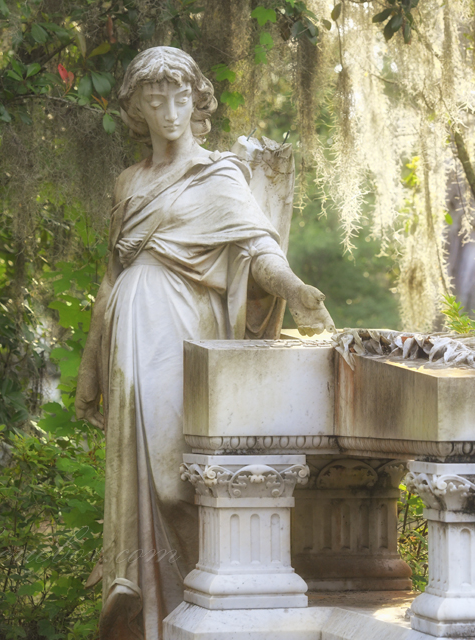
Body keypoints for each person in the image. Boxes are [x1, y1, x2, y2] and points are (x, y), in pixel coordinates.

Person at [75, 46, 334, 640]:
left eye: (181, 97)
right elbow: (109, 280)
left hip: (184, 329)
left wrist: (293, 287)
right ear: (136, 108)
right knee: (139, 465)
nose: (170, 111)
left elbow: (256, 247)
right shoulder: (128, 182)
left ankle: (201, 595)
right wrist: (89, 368)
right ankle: (139, 593)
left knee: (175, 472)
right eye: (155, 99)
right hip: (126, 335)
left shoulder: (218, 173)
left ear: (198, 102)